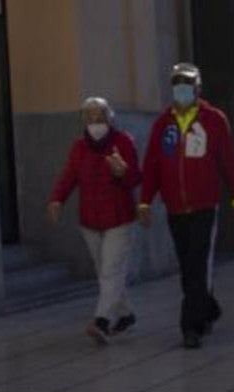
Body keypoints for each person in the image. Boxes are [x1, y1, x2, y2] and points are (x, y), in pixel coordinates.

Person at [138, 62, 234, 349]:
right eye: (177, 84)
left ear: (198, 88)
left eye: (187, 84)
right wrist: (145, 201)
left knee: (197, 264)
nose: (182, 89)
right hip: (175, 207)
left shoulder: (214, 120)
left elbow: (229, 162)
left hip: (204, 205)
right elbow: (152, 165)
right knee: (188, 267)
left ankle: (191, 327)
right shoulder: (163, 125)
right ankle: (208, 307)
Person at [48, 97, 141, 345]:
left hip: (119, 218)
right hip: (90, 220)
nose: (95, 123)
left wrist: (122, 172)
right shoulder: (80, 147)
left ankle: (101, 321)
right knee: (106, 272)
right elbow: (69, 176)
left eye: (99, 118)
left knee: (111, 270)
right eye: (90, 118)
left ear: (109, 119)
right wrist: (57, 199)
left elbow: (135, 178)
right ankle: (126, 314)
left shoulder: (123, 142)